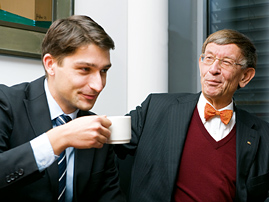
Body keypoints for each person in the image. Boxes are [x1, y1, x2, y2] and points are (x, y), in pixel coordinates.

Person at [114, 29, 269, 202]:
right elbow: (101, 146)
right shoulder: (155, 108)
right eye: (208, 58)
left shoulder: (263, 135)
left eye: (226, 62)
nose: (213, 69)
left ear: (246, 76)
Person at [0, 15, 125, 202]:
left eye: (103, 71)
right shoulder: (6, 103)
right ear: (50, 64)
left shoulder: (96, 127)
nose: (98, 85)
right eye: (85, 69)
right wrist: (58, 139)